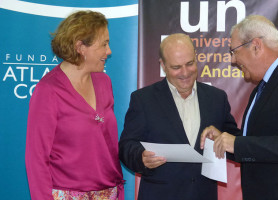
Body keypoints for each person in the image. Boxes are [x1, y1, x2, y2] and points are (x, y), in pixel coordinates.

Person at [119, 33, 239, 200]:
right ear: (163, 65)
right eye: (176, 67)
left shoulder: (217, 98)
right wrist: (141, 157)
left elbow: (236, 143)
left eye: (189, 64)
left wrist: (223, 138)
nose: (185, 73)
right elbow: (127, 145)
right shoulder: (143, 99)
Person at [25, 10, 124, 200]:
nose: (109, 51)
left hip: (108, 193)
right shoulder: (48, 90)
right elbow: (36, 159)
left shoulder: (104, 82)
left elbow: (109, 146)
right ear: (80, 46)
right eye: (104, 44)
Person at [201, 15, 278, 200]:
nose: (232, 60)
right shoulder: (261, 88)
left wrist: (237, 144)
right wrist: (224, 140)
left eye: (234, 51)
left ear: (256, 45)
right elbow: (258, 143)